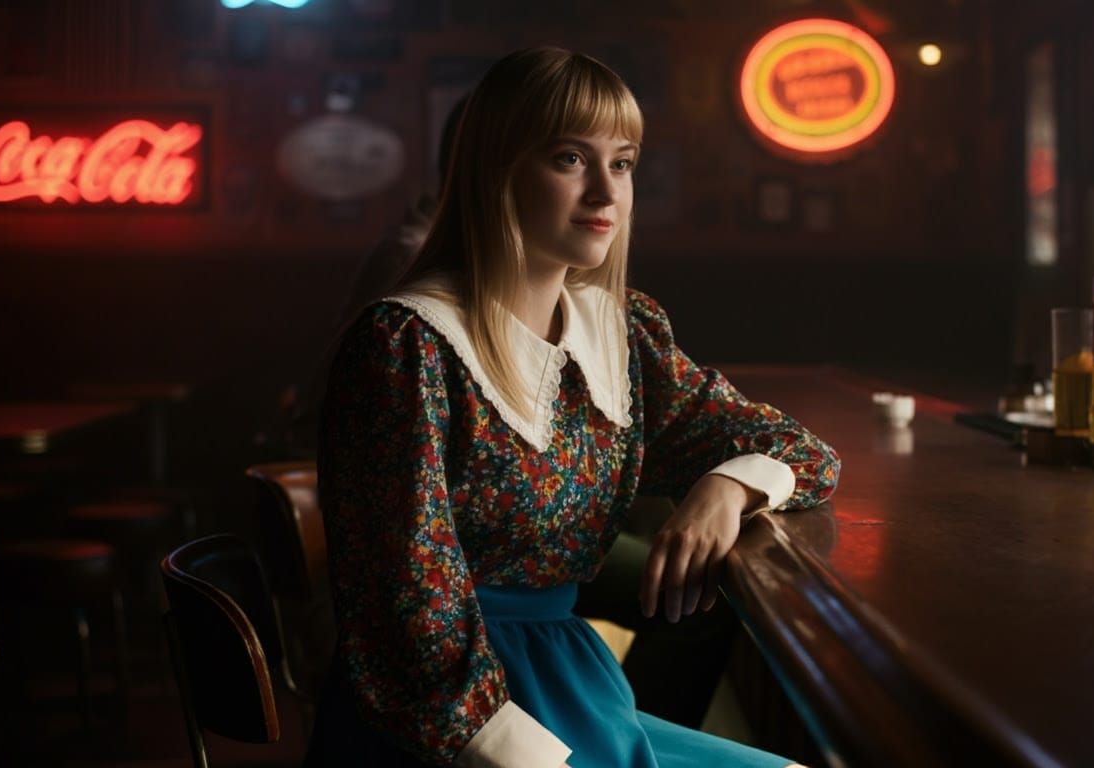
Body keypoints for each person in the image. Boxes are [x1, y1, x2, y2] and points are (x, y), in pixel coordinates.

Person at [307, 47, 840, 768]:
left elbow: (802, 451)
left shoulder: (621, 333)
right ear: (495, 170)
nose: (606, 194)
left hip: (572, 682)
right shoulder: (405, 348)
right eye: (569, 159)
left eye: (622, 163)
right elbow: (406, 619)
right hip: (452, 726)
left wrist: (726, 485)